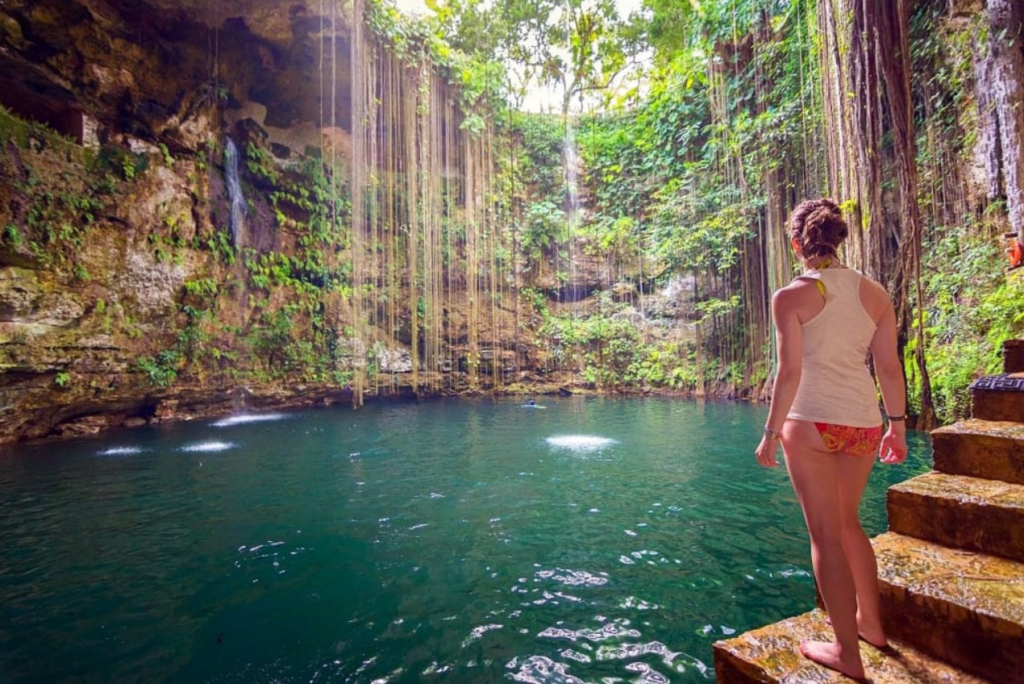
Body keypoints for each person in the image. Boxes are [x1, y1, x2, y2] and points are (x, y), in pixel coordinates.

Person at [754, 198, 908, 680]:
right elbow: (887, 366)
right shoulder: (874, 294)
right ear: (840, 239)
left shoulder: (790, 297)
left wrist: (770, 432)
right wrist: (897, 425)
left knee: (824, 535)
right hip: (862, 423)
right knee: (849, 524)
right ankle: (872, 627)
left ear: (797, 244)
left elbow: (790, 371)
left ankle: (847, 651)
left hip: (811, 423)